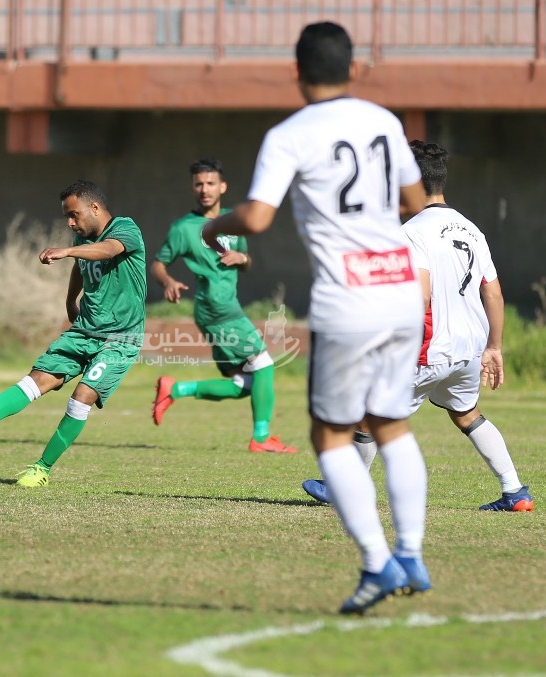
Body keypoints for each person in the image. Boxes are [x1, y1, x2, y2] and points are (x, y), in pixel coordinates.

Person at [201, 22, 431, 615]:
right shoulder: (384, 121)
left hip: (348, 299)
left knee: (330, 435)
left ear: (295, 72)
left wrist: (213, 225)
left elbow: (256, 218)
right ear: (354, 69)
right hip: (401, 289)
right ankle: (411, 553)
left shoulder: (290, 134)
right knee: (392, 425)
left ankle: (378, 563)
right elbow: (413, 201)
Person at [301, 141, 534, 512]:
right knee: (466, 414)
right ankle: (515, 491)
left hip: (429, 347)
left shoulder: (411, 232)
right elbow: (493, 293)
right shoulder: (472, 230)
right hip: (469, 348)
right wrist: (494, 346)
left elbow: (420, 296)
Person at [0, 179, 146, 488]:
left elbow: (107, 251)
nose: (70, 223)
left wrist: (67, 250)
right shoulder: (82, 241)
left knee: (81, 396)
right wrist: (70, 300)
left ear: (95, 208)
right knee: (37, 379)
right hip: (85, 330)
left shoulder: (125, 229)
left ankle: (41, 469)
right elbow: (81, 265)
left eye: (74, 215)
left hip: (120, 339)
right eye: (67, 216)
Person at [150, 158, 298, 454]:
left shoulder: (233, 221)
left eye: (210, 183)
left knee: (245, 383)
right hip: (216, 309)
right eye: (199, 184)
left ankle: (175, 389)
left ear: (222, 187)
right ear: (192, 188)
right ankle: (261, 438)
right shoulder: (183, 228)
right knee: (264, 364)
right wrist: (167, 281)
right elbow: (158, 264)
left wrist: (242, 258)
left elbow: (247, 262)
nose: (204, 189)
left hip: (227, 308)